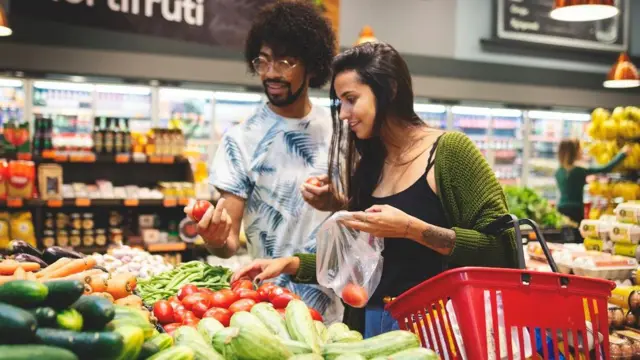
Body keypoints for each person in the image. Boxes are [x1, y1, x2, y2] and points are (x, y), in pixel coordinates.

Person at [232, 42, 519, 337]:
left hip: (440, 331)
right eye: (339, 103)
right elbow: (356, 260)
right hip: (369, 328)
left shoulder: (450, 153)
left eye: (351, 99)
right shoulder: (370, 165)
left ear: (390, 90)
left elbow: (502, 249)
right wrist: (289, 263)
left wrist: (411, 228)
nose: (343, 114)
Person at [185, 0, 343, 322]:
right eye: (264, 61)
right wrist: (215, 238)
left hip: (340, 303)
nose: (271, 73)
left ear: (311, 65)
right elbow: (227, 243)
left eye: (285, 62)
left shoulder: (341, 130)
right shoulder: (240, 140)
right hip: (269, 307)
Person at [555, 139, 629, 224]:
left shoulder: (558, 172)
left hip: (561, 207)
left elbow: (569, 186)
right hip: (576, 209)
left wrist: (586, 181)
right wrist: (623, 154)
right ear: (574, 152)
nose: (581, 151)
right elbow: (605, 169)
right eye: (579, 149)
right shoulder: (579, 170)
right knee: (578, 234)